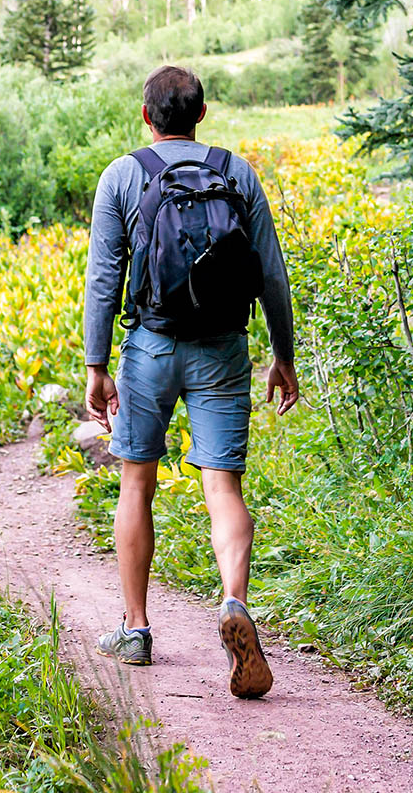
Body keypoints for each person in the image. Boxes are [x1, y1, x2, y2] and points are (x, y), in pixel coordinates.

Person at [83, 64, 299, 699]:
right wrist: (282, 355)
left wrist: (97, 366)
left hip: (150, 346)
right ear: (202, 114)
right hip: (224, 350)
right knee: (223, 483)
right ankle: (233, 601)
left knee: (136, 480)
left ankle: (136, 629)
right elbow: (271, 275)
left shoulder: (122, 175)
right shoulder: (237, 172)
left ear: (146, 118)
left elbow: (104, 279)